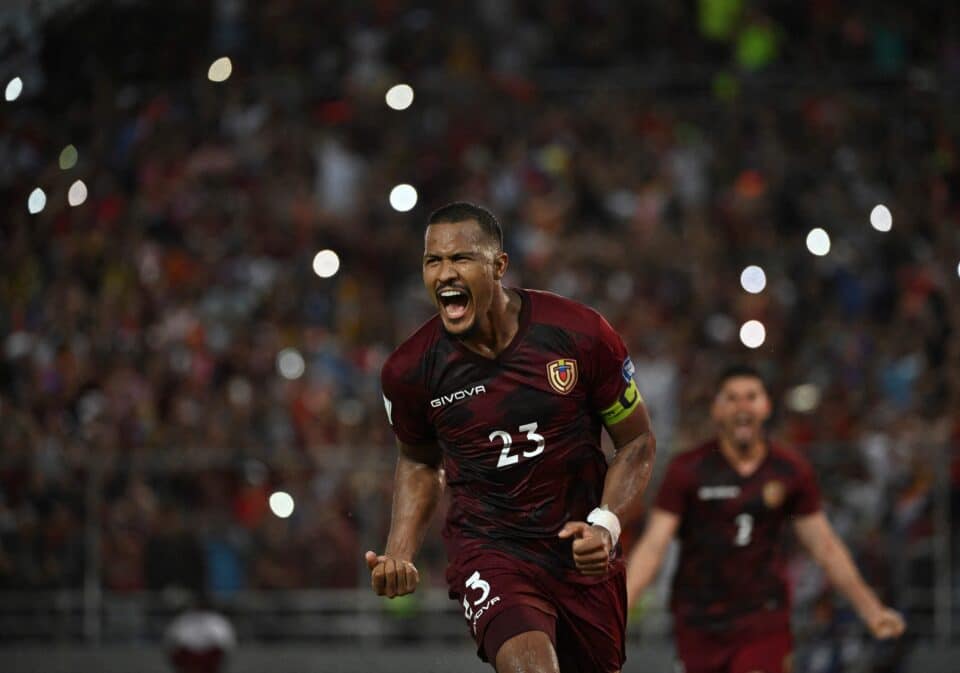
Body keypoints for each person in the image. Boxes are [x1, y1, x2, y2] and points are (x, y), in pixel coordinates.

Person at [366, 201, 657, 673]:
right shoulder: (409, 370)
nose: (444, 274)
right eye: (432, 261)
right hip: (490, 548)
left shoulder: (579, 334)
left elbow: (637, 442)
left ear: (498, 266)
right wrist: (399, 550)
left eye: (460, 259)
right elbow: (420, 461)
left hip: (580, 553)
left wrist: (606, 524)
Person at [627, 364, 904, 673]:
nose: (742, 407)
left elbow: (824, 545)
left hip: (762, 620)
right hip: (699, 623)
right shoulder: (687, 470)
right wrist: (617, 614)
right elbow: (653, 547)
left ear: (766, 405)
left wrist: (871, 608)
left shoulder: (790, 470)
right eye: (732, 398)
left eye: (751, 397)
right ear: (716, 409)